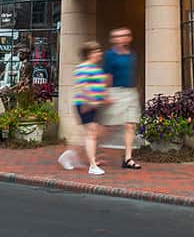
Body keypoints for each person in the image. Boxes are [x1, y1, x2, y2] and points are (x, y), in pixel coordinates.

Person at [58, 40, 107, 175]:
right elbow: (82, 86)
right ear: (90, 53)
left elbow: (99, 87)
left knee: (91, 133)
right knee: (91, 134)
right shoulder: (83, 67)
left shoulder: (96, 68)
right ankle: (92, 166)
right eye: (96, 51)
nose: (99, 53)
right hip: (85, 104)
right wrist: (90, 101)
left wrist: (104, 98)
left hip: (93, 105)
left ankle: (68, 156)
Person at [102, 27, 142, 169]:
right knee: (108, 126)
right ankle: (95, 153)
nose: (122, 38)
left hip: (130, 92)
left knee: (130, 125)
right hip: (115, 92)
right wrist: (106, 94)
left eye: (125, 35)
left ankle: (128, 158)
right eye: (118, 36)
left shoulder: (132, 55)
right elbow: (107, 75)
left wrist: (136, 89)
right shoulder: (109, 55)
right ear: (113, 40)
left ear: (129, 38)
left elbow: (132, 74)